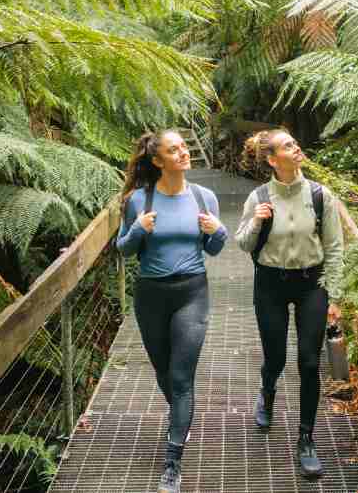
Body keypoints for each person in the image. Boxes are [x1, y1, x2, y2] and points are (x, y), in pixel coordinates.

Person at [115, 129, 227, 493]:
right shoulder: (139, 200)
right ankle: (183, 414)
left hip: (191, 293)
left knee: (181, 379)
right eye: (173, 150)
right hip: (151, 297)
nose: (182, 153)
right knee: (164, 373)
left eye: (183, 147)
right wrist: (136, 229)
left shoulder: (203, 196)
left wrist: (219, 232)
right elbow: (124, 249)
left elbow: (213, 250)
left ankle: (172, 462)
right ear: (157, 160)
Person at [235, 129, 343, 479]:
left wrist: (334, 295)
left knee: (310, 363)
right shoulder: (259, 196)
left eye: (296, 143)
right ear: (271, 159)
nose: (297, 148)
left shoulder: (319, 195)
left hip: (312, 284)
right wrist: (256, 222)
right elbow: (243, 243)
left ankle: (306, 439)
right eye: (287, 146)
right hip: (270, 285)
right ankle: (267, 391)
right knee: (276, 357)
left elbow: (335, 248)